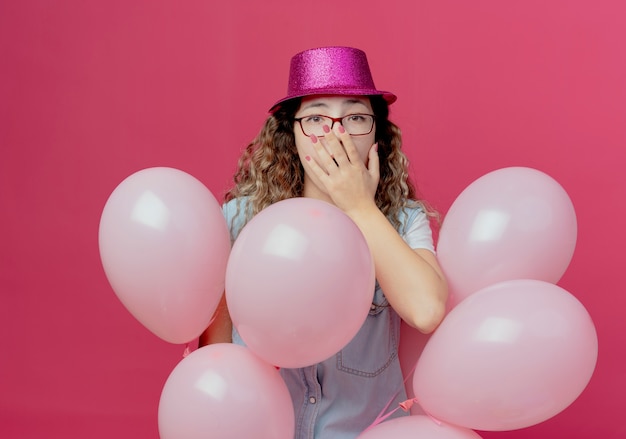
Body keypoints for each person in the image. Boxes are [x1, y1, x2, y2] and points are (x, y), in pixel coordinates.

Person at [199, 46, 448, 439]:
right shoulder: (239, 221)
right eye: (316, 117)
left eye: (355, 117)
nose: (337, 133)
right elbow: (216, 359)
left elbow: (427, 310)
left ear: (377, 134)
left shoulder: (403, 221)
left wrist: (359, 207)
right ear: (291, 133)